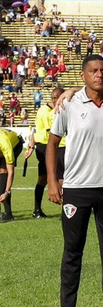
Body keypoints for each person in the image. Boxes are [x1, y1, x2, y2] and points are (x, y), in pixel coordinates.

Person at [27, 86, 64, 218]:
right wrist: (32, 144)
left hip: (50, 146)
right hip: (47, 147)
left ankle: (38, 210)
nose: (55, 100)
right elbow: (48, 132)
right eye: (53, 98)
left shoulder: (53, 109)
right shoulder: (46, 112)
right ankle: (38, 209)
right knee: (56, 178)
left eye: (57, 98)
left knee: (49, 178)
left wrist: (31, 144)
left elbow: (35, 129)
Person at [0, 127, 24, 222]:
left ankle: (8, 214)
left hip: (16, 144)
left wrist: (7, 192)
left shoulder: (5, 145)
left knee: (3, 170)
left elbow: (10, 172)